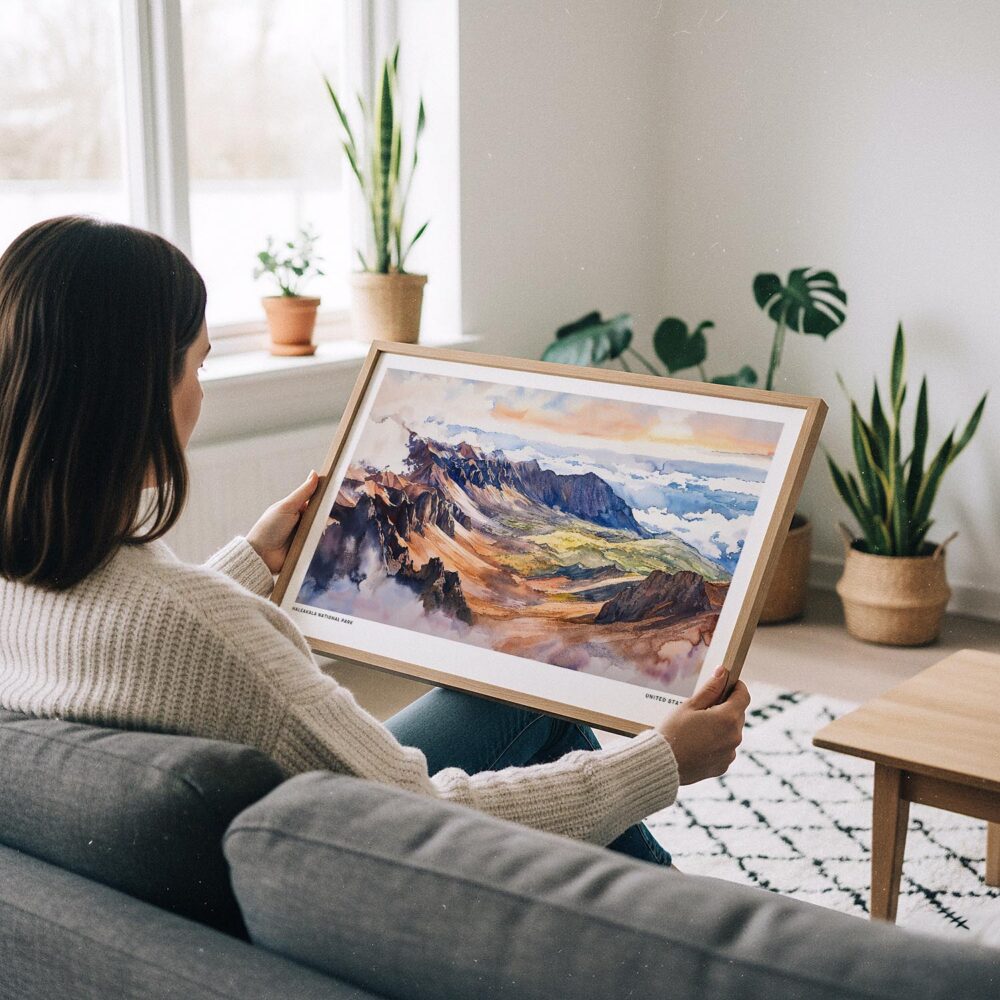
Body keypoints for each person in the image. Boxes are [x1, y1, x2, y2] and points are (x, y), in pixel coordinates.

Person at [0, 216, 749, 866]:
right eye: (198, 365)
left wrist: (250, 563)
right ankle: (695, 939)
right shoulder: (206, 630)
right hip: (360, 860)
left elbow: (139, 638)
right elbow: (418, 817)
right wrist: (661, 761)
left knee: (509, 702)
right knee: (546, 722)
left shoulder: (27, 582)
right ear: (135, 395)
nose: (202, 391)